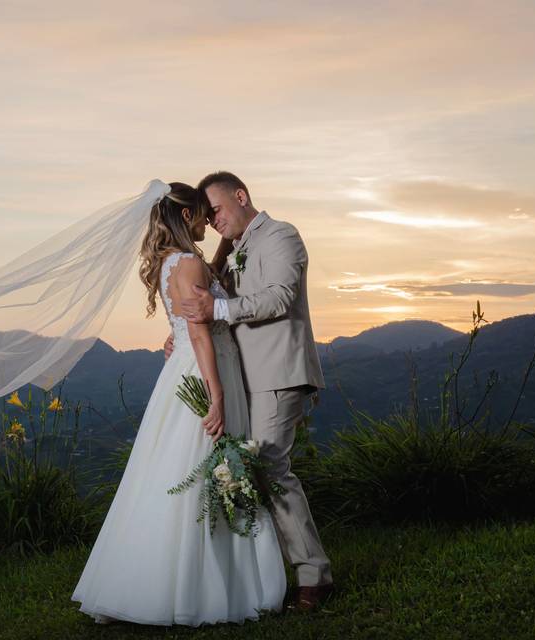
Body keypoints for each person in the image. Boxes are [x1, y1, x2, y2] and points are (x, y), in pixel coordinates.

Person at [70, 182, 286, 626]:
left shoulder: (171, 263)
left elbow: (188, 324)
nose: (209, 220)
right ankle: (195, 589)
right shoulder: (188, 262)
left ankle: (147, 581)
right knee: (201, 471)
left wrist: (180, 336)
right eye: (202, 213)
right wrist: (217, 394)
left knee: (174, 472)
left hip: (185, 369)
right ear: (186, 217)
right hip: (204, 373)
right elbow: (202, 331)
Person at [174, 170, 333, 611]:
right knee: (248, 469)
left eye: (217, 210)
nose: (214, 222)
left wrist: (219, 306)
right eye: (207, 215)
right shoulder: (231, 250)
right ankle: (259, 577)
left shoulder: (282, 235)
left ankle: (313, 577)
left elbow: (280, 296)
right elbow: (205, 304)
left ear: (241, 196)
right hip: (243, 377)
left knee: (269, 467)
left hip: (279, 372)